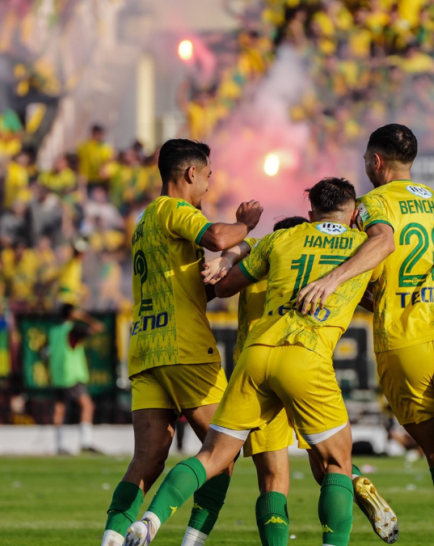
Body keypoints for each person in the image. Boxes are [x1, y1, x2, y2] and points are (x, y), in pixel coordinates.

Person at [296, 124, 434, 546]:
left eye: (365, 162)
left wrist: (334, 282)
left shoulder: (370, 205)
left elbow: (373, 269)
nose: (364, 169)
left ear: (377, 162)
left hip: (403, 336)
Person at [123, 177, 375, 546]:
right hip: (306, 356)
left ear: (311, 214)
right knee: (336, 464)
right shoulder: (363, 247)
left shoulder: (275, 242)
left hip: (256, 358)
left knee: (214, 457)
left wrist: (230, 256)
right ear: (354, 213)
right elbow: (379, 295)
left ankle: (150, 521)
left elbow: (223, 286)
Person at [99, 139, 263, 546]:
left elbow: (191, 289)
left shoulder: (145, 221)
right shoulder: (174, 210)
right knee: (222, 451)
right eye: (207, 176)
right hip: (185, 347)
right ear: (191, 173)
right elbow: (219, 237)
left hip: (147, 349)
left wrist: (213, 276)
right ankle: (178, 535)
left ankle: (113, 538)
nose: (208, 186)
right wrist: (247, 225)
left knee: (148, 458)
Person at [203, 214, 399, 545]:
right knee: (328, 465)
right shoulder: (312, 272)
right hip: (305, 367)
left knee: (272, 480)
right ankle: (354, 480)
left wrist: (231, 253)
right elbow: (366, 297)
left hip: (257, 372)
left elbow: (217, 287)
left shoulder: (255, 266)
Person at [50, 303, 104, 454]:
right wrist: (85, 317)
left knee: (59, 409)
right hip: (71, 375)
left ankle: (59, 445)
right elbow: (99, 327)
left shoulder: (54, 331)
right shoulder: (73, 330)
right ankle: (86, 442)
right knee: (87, 406)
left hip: (57, 375)